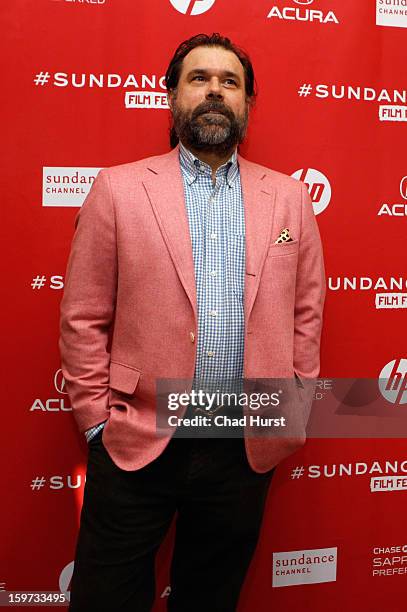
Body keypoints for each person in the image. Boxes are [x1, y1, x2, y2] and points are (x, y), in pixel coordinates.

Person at [60, 33, 326, 612]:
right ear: (173, 96)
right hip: (135, 440)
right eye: (199, 79)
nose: (214, 92)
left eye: (229, 83)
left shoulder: (289, 198)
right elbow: (83, 315)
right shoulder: (118, 188)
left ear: (247, 104)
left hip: (244, 442)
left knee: (211, 598)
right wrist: (95, 424)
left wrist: (295, 404)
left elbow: (306, 313)